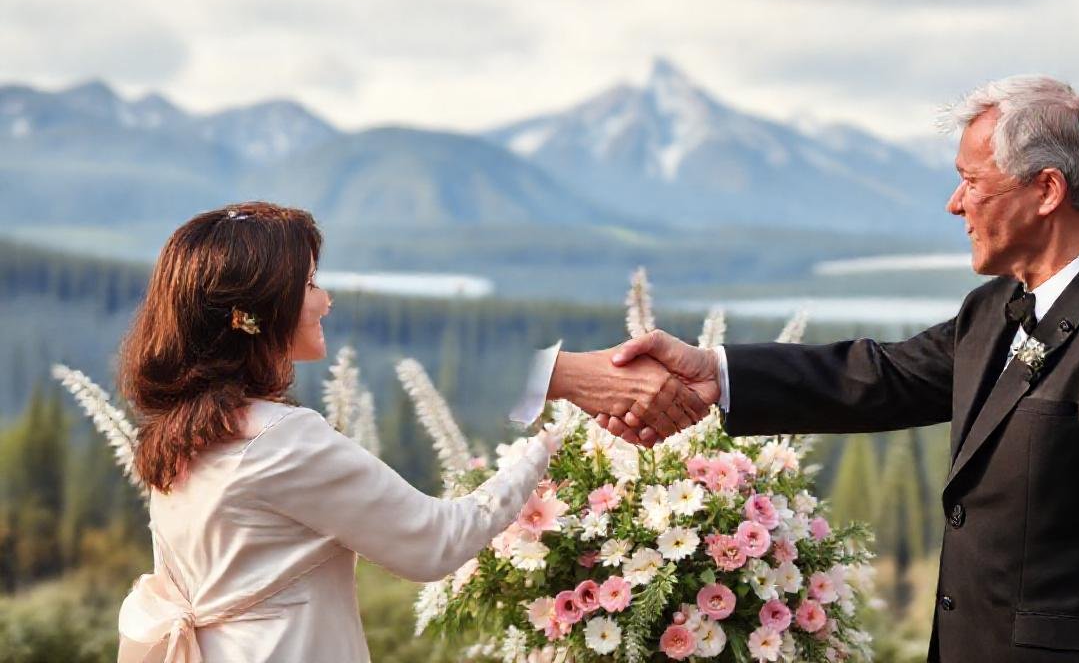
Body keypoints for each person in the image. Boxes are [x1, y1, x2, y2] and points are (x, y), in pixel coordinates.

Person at [601, 76, 1079, 661]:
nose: (955, 204)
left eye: (972, 182)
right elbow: (883, 378)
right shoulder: (995, 307)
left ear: (1047, 191)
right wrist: (717, 372)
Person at [112, 201, 676, 662]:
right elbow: (433, 544)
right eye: (309, 284)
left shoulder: (180, 435)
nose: (325, 300)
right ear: (259, 312)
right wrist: (543, 451)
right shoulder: (280, 438)